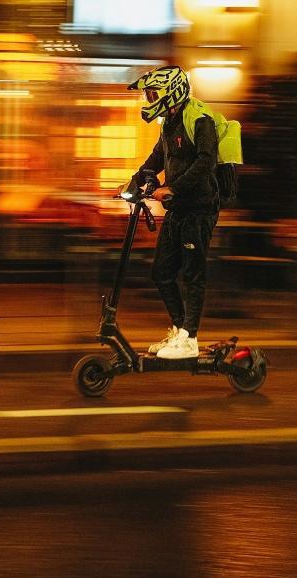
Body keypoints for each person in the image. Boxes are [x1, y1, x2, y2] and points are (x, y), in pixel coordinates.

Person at [127, 65, 220, 359]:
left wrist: (172, 188)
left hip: (199, 209)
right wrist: (134, 179)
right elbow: (156, 157)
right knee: (161, 272)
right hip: (177, 209)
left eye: (154, 93)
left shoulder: (200, 120)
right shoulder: (168, 122)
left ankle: (190, 338)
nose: (150, 98)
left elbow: (206, 162)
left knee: (193, 273)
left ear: (172, 92)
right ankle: (180, 331)